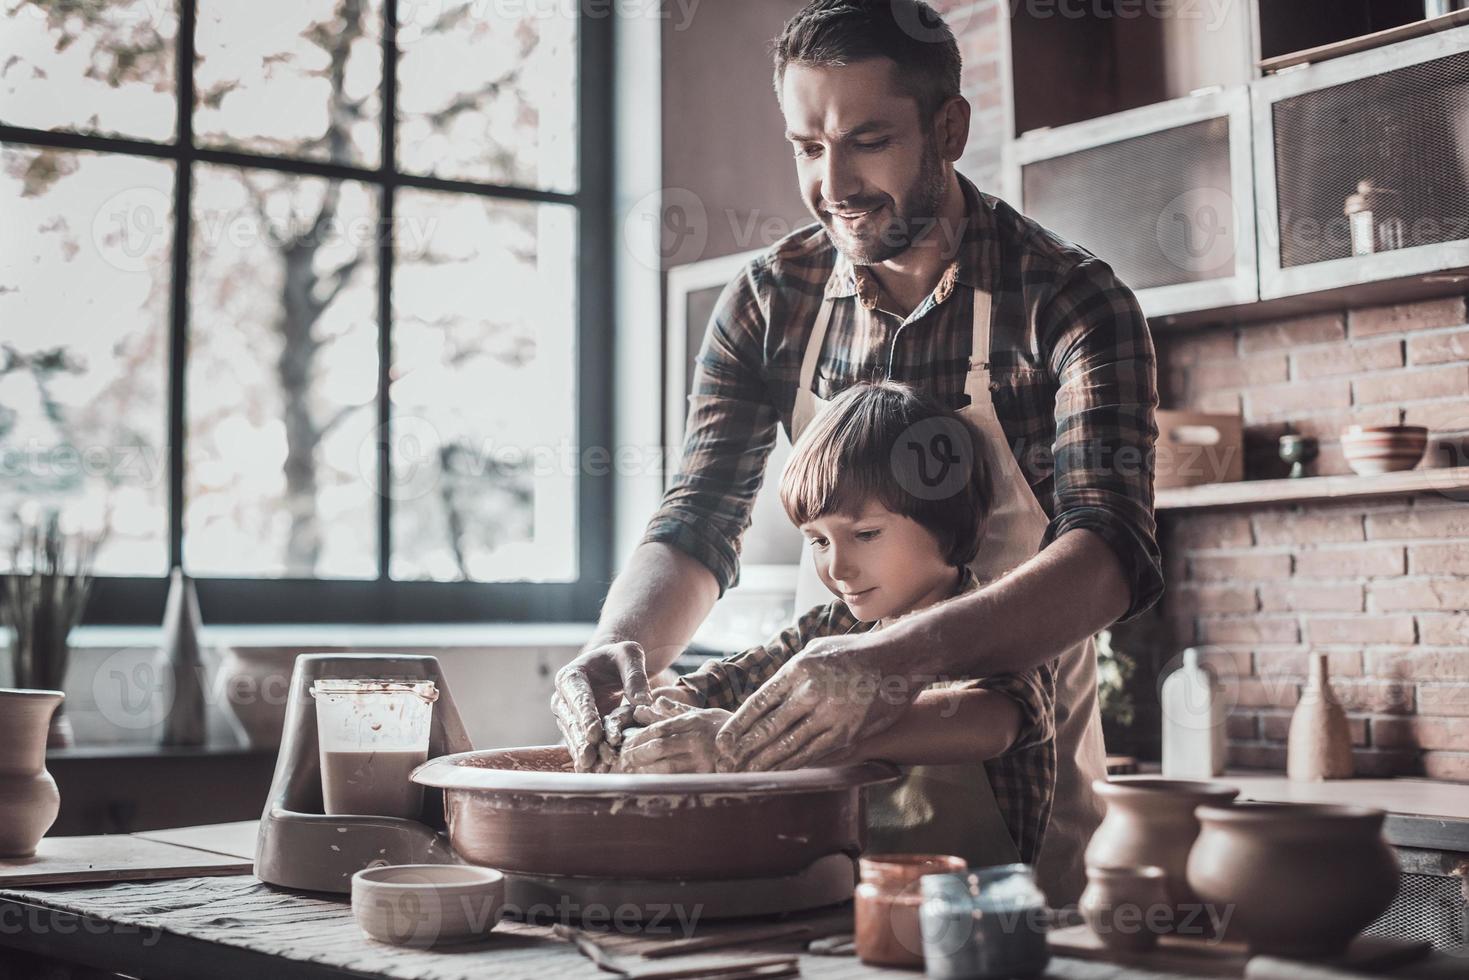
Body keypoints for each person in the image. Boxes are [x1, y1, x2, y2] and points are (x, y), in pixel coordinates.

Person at [553, 0, 1160, 906]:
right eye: (806, 146)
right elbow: (697, 521)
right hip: (816, 824)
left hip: (1013, 814)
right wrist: (618, 652)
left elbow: (1108, 556)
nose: (831, 182)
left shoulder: (1067, 303)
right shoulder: (768, 302)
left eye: (866, 140)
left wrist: (887, 668)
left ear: (948, 127)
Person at [618, 381, 1057, 868]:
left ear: (947, 518)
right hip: (843, 909)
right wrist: (668, 706)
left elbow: (993, 720)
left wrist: (749, 745)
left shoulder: (1000, 627)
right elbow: (726, 683)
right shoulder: (830, 627)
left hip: (973, 912)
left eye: (865, 534)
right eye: (818, 541)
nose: (837, 568)